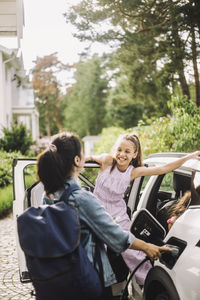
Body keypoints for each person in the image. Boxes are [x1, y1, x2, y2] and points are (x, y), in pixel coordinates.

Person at [37, 131, 170, 300]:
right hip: (86, 278)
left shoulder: (48, 195)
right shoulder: (83, 199)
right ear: (77, 160)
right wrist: (147, 247)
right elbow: (114, 235)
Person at [86, 132, 200, 285]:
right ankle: (93, 283)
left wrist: (189, 157)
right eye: (119, 149)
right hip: (96, 213)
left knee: (133, 250)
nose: (121, 154)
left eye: (127, 151)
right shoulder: (107, 161)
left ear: (134, 154)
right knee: (94, 249)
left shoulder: (133, 172)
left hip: (118, 216)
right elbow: (87, 159)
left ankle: (148, 283)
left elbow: (163, 169)